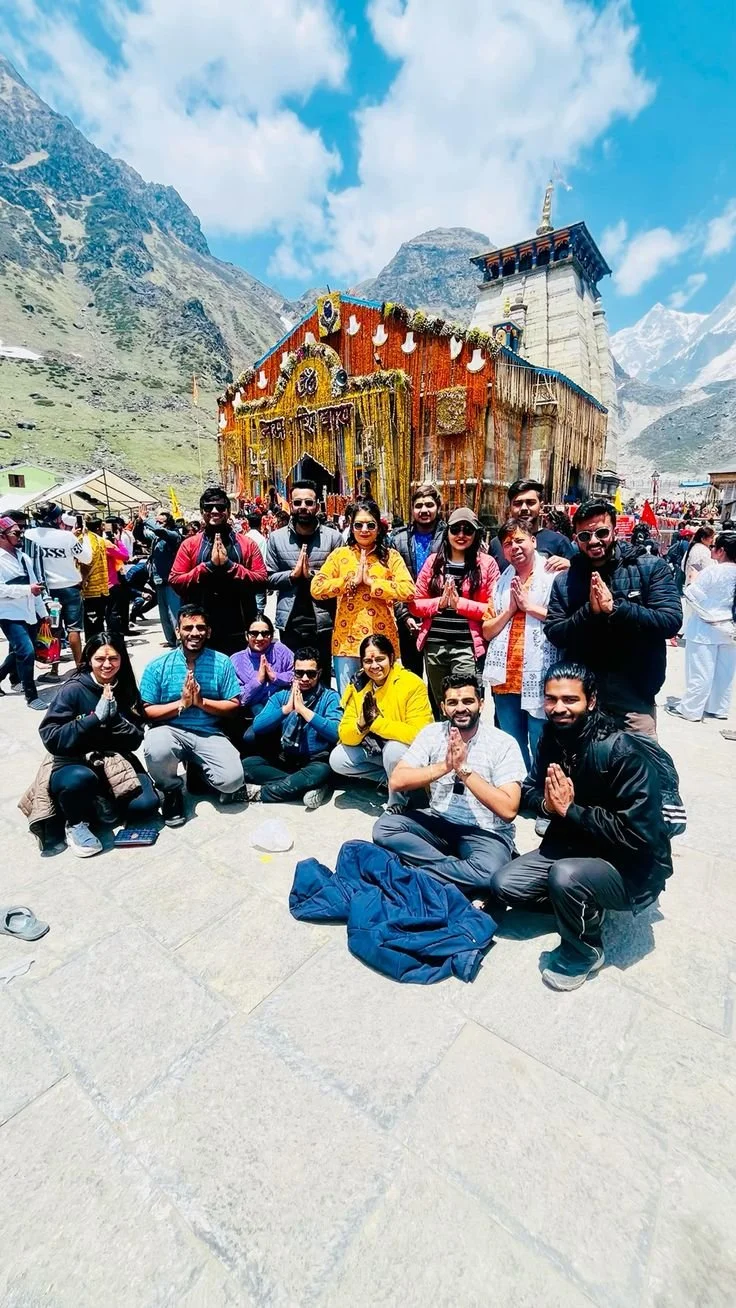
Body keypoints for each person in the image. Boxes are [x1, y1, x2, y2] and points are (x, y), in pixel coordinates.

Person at [488, 662, 673, 991]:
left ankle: (585, 950)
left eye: (570, 699)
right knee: (505, 885)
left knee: (566, 876)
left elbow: (639, 835)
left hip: (627, 865)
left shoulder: (621, 752)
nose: (558, 708)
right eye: (551, 699)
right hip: (572, 845)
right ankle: (580, 905)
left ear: (591, 701)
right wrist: (548, 805)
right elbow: (531, 790)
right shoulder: (552, 737)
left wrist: (571, 811)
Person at [373, 675, 525, 895]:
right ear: (443, 707)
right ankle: (454, 868)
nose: (461, 708)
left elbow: (509, 809)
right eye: (452, 703)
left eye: (468, 701)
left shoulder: (503, 743)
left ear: (481, 704)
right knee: (384, 828)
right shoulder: (432, 733)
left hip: (485, 832)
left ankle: (414, 875)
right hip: (440, 822)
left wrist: (463, 770)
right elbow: (397, 781)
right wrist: (445, 766)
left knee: (489, 875)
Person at [544, 498, 682, 738]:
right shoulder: (566, 581)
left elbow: (670, 621)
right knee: (584, 770)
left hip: (635, 695)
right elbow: (555, 632)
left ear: (615, 532)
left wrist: (616, 608)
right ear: (576, 539)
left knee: (641, 768)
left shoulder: (649, 567)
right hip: (582, 698)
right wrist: (589, 612)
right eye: (585, 536)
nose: (594, 541)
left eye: (601, 532)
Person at [36, 634, 159, 857]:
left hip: (114, 759)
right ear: (89, 660)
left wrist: (115, 720)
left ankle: (99, 804)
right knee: (81, 780)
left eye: (113, 658)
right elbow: (51, 737)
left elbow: (135, 739)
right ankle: (74, 823)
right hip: (74, 762)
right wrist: (94, 719)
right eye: (99, 659)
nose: (107, 664)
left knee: (145, 806)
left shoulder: (125, 688)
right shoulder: (73, 689)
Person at [140, 604, 244, 826]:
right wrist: (183, 704)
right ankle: (171, 791)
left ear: (209, 632)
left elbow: (234, 705)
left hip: (208, 732)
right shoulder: (158, 666)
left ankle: (197, 770)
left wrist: (200, 702)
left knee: (232, 781)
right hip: (170, 730)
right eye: (188, 627)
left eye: (200, 627)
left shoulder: (222, 662)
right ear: (177, 631)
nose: (194, 633)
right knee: (156, 747)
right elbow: (147, 710)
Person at [311, 499, 414, 695]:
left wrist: (373, 584)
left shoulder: (390, 557)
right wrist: (349, 582)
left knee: (385, 701)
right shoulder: (339, 556)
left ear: (378, 528)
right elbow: (316, 588)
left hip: (382, 640)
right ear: (351, 527)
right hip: (347, 642)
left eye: (370, 525)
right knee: (350, 701)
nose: (364, 529)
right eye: (358, 525)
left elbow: (409, 590)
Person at [482, 519, 556, 769]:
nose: (514, 547)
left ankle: (541, 792)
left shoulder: (554, 575)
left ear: (533, 541)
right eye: (507, 543)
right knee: (511, 742)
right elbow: (487, 630)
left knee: (541, 739)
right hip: (506, 677)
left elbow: (565, 618)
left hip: (540, 675)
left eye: (520, 540)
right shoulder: (501, 583)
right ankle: (519, 790)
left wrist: (528, 607)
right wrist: (510, 611)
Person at [409, 507, 499, 711]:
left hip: (467, 646)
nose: (461, 535)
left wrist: (460, 605)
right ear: (447, 531)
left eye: (467, 530)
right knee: (441, 705)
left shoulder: (486, 564)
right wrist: (439, 603)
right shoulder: (434, 562)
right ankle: (446, 743)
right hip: (435, 646)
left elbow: (493, 609)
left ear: (475, 533)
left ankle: (466, 742)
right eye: (455, 529)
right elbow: (414, 604)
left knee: (465, 704)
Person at [329, 634, 433, 799]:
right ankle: (391, 780)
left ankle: (398, 801)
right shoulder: (358, 685)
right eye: (368, 661)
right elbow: (344, 733)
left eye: (380, 659)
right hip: (375, 748)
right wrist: (361, 725)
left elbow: (419, 734)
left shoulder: (412, 684)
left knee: (393, 750)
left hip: (406, 752)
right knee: (337, 758)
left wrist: (376, 723)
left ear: (391, 658)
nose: (374, 666)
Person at [169, 486, 267, 655]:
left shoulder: (247, 544)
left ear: (228, 512)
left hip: (239, 623)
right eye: (209, 507)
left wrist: (231, 567)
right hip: (198, 627)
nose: (215, 511)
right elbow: (176, 581)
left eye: (220, 507)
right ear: (202, 512)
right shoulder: (190, 545)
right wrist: (207, 567)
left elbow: (262, 580)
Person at [241, 647, 341, 809]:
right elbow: (258, 726)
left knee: (320, 773)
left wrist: (303, 710)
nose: (305, 678)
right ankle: (304, 786)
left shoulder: (330, 697)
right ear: (293, 673)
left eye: (311, 673)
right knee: (246, 766)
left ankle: (258, 794)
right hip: (285, 759)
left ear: (320, 673)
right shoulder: (282, 696)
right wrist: (286, 709)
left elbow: (336, 733)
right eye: (299, 673)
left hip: (315, 762)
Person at [265, 480, 342, 685]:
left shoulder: (333, 538)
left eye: (308, 502)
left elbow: (340, 580)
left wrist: (312, 576)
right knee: (292, 676)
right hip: (290, 622)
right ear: (290, 504)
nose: (303, 508)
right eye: (297, 502)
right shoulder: (276, 538)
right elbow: (269, 578)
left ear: (317, 505)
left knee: (321, 677)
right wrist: (292, 575)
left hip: (323, 621)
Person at [667, 532, 736, 722]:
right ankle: (719, 707)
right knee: (725, 672)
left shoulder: (713, 571)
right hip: (730, 628)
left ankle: (691, 709)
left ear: (722, 551)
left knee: (700, 671)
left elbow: (692, 595)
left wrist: (692, 580)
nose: (712, 550)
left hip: (706, 626)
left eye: (714, 547)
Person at [25, 503, 91, 672]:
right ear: (57, 518)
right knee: (74, 629)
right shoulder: (66, 537)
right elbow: (86, 558)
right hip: (70, 587)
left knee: (54, 628)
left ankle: (54, 670)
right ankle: (80, 667)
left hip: (45, 591)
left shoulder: (29, 535)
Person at [389, 485, 446, 678]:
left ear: (438, 507)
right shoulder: (398, 539)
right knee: (412, 677)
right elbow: (392, 582)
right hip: (408, 618)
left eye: (429, 505)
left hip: (440, 617)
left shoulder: (449, 537)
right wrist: (405, 617)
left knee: (439, 681)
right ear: (412, 509)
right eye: (419, 505)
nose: (424, 510)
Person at [0, 515, 47, 709]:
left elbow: (36, 586)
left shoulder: (23, 557)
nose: (20, 536)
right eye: (16, 533)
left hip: (28, 611)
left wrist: (43, 613)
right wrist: (27, 589)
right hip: (8, 613)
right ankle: (31, 694)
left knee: (22, 650)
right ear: (2, 536)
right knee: (26, 651)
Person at [490, 480, 575, 573]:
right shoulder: (497, 544)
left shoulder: (559, 542)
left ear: (541, 506)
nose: (524, 508)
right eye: (518, 503)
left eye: (530, 502)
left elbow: (575, 578)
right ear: (510, 507)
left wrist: (570, 566)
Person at [230, 614, 294, 720]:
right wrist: (257, 681)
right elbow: (238, 699)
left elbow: (299, 675)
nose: (259, 638)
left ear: (272, 635)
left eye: (265, 634)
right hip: (252, 714)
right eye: (254, 634)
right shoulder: (236, 660)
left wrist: (276, 677)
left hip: (283, 708)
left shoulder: (281, 650)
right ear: (246, 635)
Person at [139, 509, 182, 647]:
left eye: (160, 522)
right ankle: (171, 639)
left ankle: (180, 640)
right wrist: (139, 523)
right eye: (156, 521)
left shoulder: (173, 535)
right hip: (158, 580)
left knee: (173, 612)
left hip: (171, 581)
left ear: (168, 523)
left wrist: (147, 519)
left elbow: (160, 531)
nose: (156, 524)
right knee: (163, 613)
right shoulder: (156, 538)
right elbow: (139, 535)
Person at [80, 517, 111, 639]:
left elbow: (87, 561)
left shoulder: (86, 539)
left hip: (90, 587)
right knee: (97, 620)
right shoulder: (100, 540)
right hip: (100, 586)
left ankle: (93, 645)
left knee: (92, 621)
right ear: (98, 528)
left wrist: (82, 580)